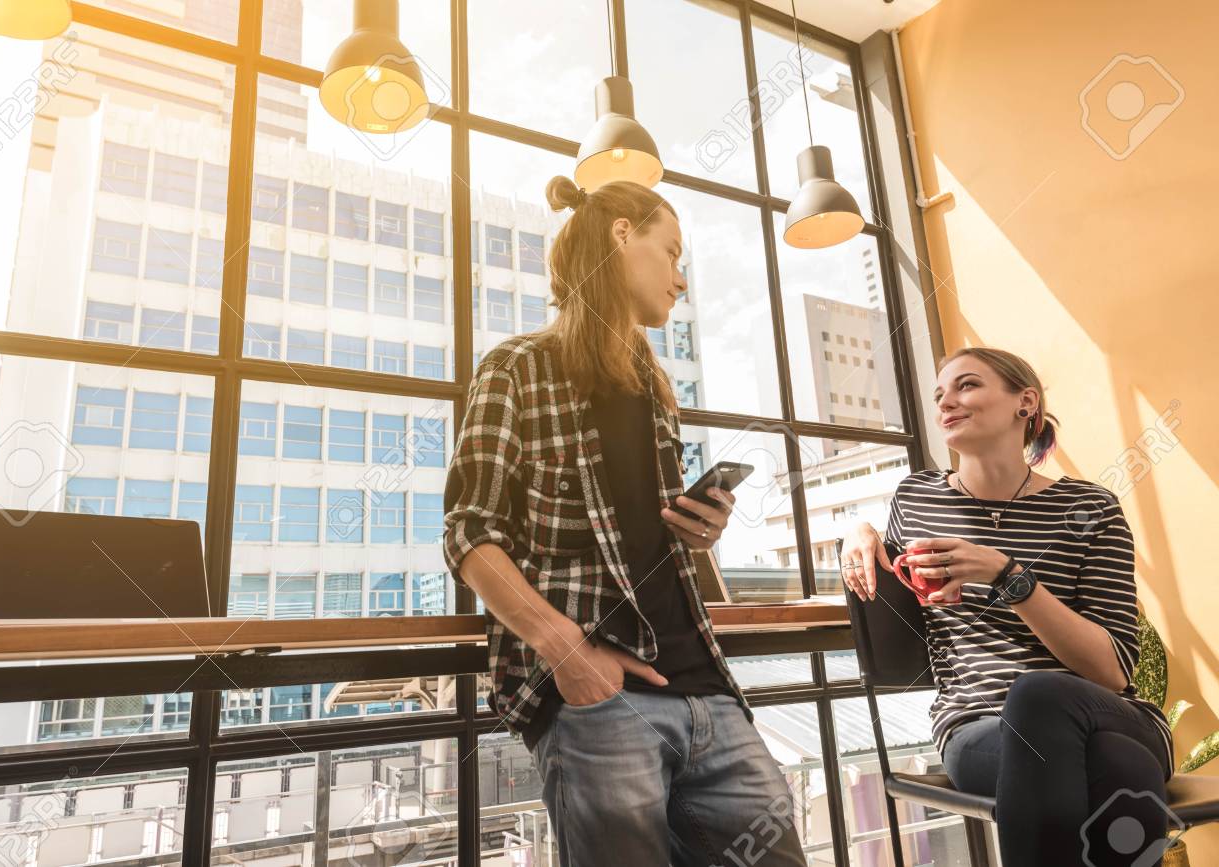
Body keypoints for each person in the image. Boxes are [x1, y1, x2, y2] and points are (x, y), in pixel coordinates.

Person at [442, 175, 808, 867]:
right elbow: (469, 531)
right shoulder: (515, 368)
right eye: (671, 253)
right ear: (621, 235)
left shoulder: (654, 388)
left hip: (707, 686)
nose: (681, 279)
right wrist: (567, 651)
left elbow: (643, 537)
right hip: (599, 697)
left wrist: (698, 531)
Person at [840, 347, 1175, 866]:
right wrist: (857, 531)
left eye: (967, 385)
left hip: (1105, 713)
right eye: (940, 393)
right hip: (980, 725)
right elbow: (894, 572)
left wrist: (1008, 577)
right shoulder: (918, 499)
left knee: (1041, 694)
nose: (946, 401)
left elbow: (1111, 672)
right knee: (1117, 765)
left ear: (1026, 402)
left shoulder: (1090, 508)